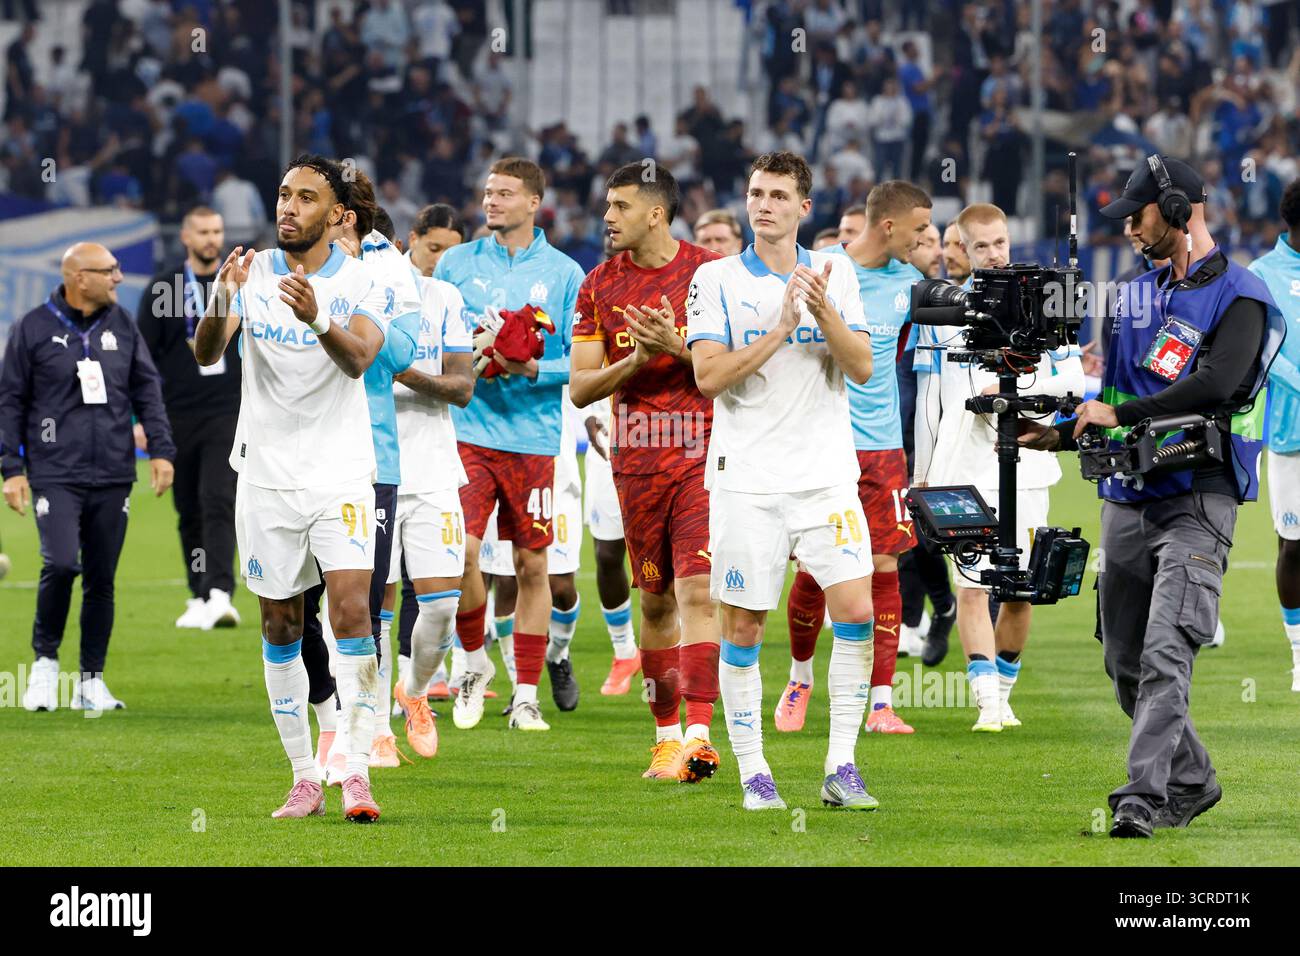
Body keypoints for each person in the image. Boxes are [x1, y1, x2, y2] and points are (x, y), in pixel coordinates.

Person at [1020, 155, 1285, 837]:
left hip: (1198, 498)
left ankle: (1140, 799)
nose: (1130, 230)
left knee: (1169, 650)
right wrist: (1053, 432)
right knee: (1125, 661)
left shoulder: (1243, 296)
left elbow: (1220, 384)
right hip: (1125, 498)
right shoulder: (1131, 297)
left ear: (1175, 211)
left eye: (1136, 216)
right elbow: (1110, 396)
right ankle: (1194, 778)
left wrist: (1127, 415)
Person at [192, 155, 393, 822]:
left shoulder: (365, 280)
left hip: (339, 474)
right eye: (282, 195)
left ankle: (356, 772)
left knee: (352, 614)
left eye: (305, 198)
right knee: (280, 621)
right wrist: (223, 296)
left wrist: (315, 319)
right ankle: (305, 777)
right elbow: (205, 354)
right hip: (267, 477)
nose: (287, 207)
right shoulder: (251, 274)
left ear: (337, 216)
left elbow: (360, 356)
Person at [687, 151, 877, 811]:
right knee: (743, 628)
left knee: (857, 612)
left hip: (825, 477)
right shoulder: (713, 279)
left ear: (803, 207)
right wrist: (778, 331)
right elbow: (707, 377)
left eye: (777, 195)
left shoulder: (836, 271)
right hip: (748, 481)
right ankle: (753, 773)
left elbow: (862, 368)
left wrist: (822, 311)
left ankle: (841, 766)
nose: (763, 204)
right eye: (755, 192)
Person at [570, 161, 722, 782]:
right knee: (656, 603)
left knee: (699, 590)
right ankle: (664, 739)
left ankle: (700, 734)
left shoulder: (708, 276)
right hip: (635, 460)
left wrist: (678, 350)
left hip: (703, 455)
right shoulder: (598, 286)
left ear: (656, 212)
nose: (608, 217)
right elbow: (581, 388)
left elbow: (728, 365)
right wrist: (636, 360)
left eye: (620, 206)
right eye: (608, 206)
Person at [912, 203, 1084, 731]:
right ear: (962, 247)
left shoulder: (1043, 304)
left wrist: (1016, 389)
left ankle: (1004, 693)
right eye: (981, 245)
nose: (993, 253)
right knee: (973, 587)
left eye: (1001, 242)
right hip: (961, 468)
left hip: (1027, 467)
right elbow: (927, 403)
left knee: (1021, 588)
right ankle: (987, 700)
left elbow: (1073, 381)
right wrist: (921, 474)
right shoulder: (944, 315)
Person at [434, 157, 582, 732]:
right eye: (488, 191)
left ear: (533, 203)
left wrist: (526, 366)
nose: (491, 201)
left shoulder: (566, 274)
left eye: (505, 193)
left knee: (531, 565)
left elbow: (580, 362)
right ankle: (473, 661)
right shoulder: (456, 264)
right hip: (468, 431)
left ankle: (526, 694)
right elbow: (432, 339)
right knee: (462, 555)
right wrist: (466, 360)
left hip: (533, 439)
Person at [780, 181, 932, 736]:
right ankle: (799, 679)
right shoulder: (822, 271)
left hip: (884, 446)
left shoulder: (912, 284)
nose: (924, 243)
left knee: (887, 565)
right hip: (825, 445)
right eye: (918, 231)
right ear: (887, 225)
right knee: (819, 572)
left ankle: (882, 702)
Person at [3, 243, 176, 713]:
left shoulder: (122, 326)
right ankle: (43, 667)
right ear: (79, 278)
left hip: (114, 472)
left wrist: (160, 451)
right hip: (55, 472)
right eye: (109, 271)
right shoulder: (33, 328)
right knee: (60, 564)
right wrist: (12, 469)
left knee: (102, 578)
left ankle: (91, 680)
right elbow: (11, 402)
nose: (119, 278)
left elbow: (148, 390)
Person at [305, 184, 421, 777]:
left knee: (363, 603)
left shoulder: (385, 273)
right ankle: (328, 718)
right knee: (297, 610)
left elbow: (400, 352)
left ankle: (371, 729)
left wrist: (352, 294)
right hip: (296, 464)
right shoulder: (288, 271)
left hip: (369, 459)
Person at [140, 206, 242, 632]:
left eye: (217, 231)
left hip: (229, 410)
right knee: (187, 507)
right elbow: (140, 358)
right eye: (202, 232)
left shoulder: (238, 285)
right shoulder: (166, 287)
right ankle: (199, 593)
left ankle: (221, 592)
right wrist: (140, 418)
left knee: (217, 498)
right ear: (185, 236)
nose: (211, 239)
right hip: (176, 414)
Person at [393, 201, 466, 702]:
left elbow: (462, 388)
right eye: (434, 247)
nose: (439, 258)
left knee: (440, 603)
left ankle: (414, 690)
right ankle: (371, 723)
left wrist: (401, 372)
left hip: (433, 467)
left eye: (448, 251)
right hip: (364, 467)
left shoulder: (443, 297)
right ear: (410, 240)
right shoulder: (360, 296)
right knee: (367, 605)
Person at [1246, 178, 1300, 690]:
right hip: (1290, 434)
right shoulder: (1262, 276)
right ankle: (1299, 654)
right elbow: (1262, 351)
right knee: (1294, 545)